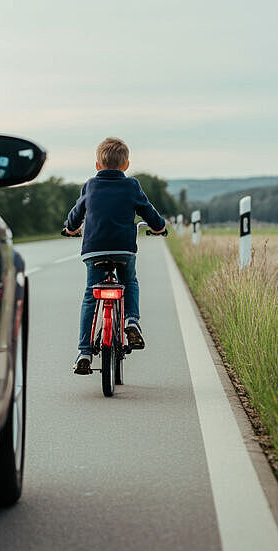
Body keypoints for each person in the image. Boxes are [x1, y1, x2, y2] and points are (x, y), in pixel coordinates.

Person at [63, 137, 166, 375]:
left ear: (97, 164)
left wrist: (70, 229)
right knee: (129, 281)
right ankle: (131, 320)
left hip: (94, 249)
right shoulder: (132, 185)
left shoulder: (90, 185)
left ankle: (84, 351)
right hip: (124, 249)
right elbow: (149, 212)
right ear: (126, 164)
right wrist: (159, 227)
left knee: (90, 295)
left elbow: (76, 214)